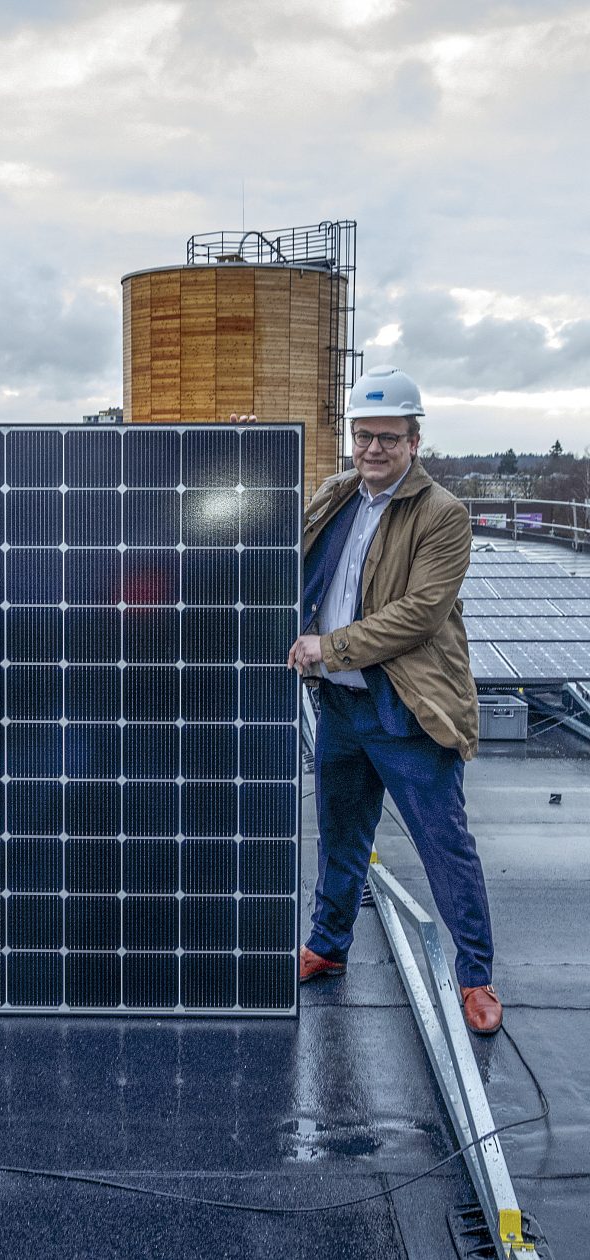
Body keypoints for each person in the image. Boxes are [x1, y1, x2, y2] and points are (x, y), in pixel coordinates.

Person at [286, 365, 501, 1035]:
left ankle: (476, 979)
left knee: (445, 846)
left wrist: (331, 647)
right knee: (342, 837)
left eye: (388, 437)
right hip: (343, 712)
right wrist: (248, 448)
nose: (373, 449)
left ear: (414, 440)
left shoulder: (443, 514)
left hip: (406, 710)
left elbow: (421, 612)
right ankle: (328, 945)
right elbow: (271, 532)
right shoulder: (335, 494)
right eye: (363, 436)